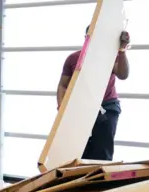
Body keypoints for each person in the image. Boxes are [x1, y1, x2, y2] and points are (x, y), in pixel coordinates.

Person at [56, 26, 130, 161]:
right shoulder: (73, 59)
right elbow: (62, 85)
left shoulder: (109, 57)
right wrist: (61, 108)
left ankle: (100, 179)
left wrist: (122, 50)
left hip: (107, 107)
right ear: (86, 38)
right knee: (79, 149)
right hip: (81, 107)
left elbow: (123, 75)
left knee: (102, 151)